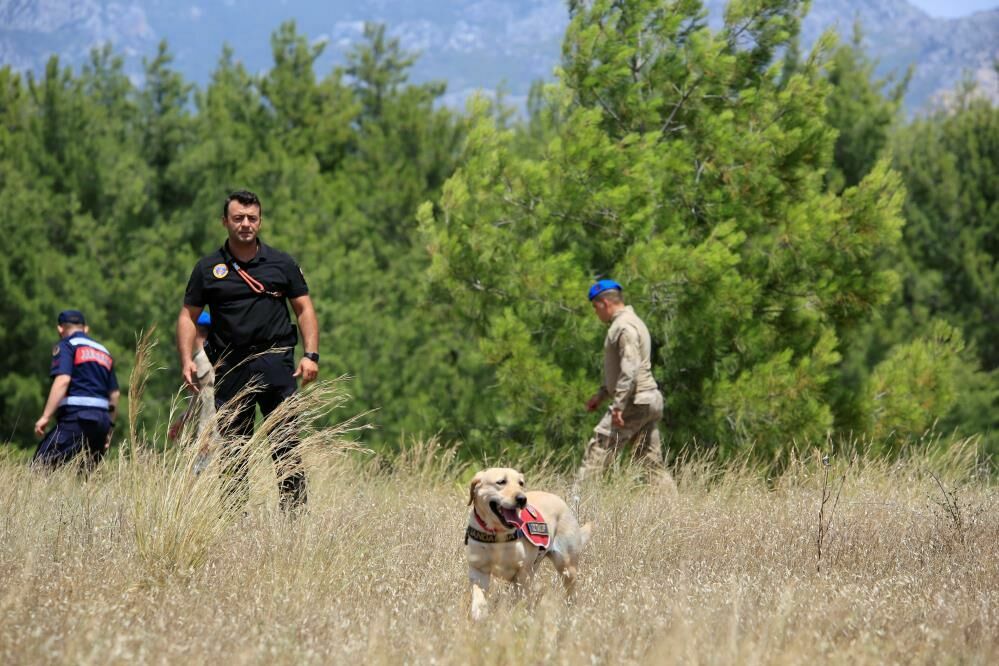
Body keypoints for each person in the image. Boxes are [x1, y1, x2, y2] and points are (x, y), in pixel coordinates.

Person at [176, 190, 319, 511]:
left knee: (287, 444)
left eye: (252, 218)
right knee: (233, 449)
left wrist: (311, 355)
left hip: (276, 363)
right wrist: (186, 359)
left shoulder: (282, 263)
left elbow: (305, 310)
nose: (245, 224)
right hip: (231, 367)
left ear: (260, 221)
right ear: (225, 221)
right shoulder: (208, 268)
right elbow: (187, 316)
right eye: (238, 218)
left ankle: (295, 519)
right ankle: (235, 521)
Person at [576, 279, 675, 490]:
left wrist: (618, 405)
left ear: (604, 302)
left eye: (595, 307)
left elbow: (629, 367)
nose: (596, 313)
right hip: (648, 399)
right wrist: (602, 394)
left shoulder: (623, 326)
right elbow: (623, 369)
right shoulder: (634, 321)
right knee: (650, 463)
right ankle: (675, 512)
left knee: (599, 450)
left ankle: (577, 507)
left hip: (634, 400)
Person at [33, 310, 120, 470]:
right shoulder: (104, 351)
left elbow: (63, 379)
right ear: (85, 328)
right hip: (102, 422)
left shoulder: (67, 345)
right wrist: (109, 429)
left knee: (39, 467)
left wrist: (46, 416)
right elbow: (114, 394)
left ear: (60, 329)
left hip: (77, 418)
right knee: (85, 478)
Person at [168, 310, 218, 474]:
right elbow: (198, 400)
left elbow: (209, 404)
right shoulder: (199, 360)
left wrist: (204, 436)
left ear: (194, 330)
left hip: (208, 443)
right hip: (205, 441)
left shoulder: (204, 362)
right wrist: (183, 419)